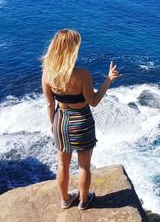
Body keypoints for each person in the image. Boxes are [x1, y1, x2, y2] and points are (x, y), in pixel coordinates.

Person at [41, 29, 120, 210]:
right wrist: (108, 80)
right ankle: (84, 201)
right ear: (72, 50)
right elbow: (93, 102)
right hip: (82, 121)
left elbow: (49, 104)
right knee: (84, 166)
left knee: (62, 164)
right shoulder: (82, 74)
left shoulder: (47, 73)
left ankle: (65, 199)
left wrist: (53, 125)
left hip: (60, 120)